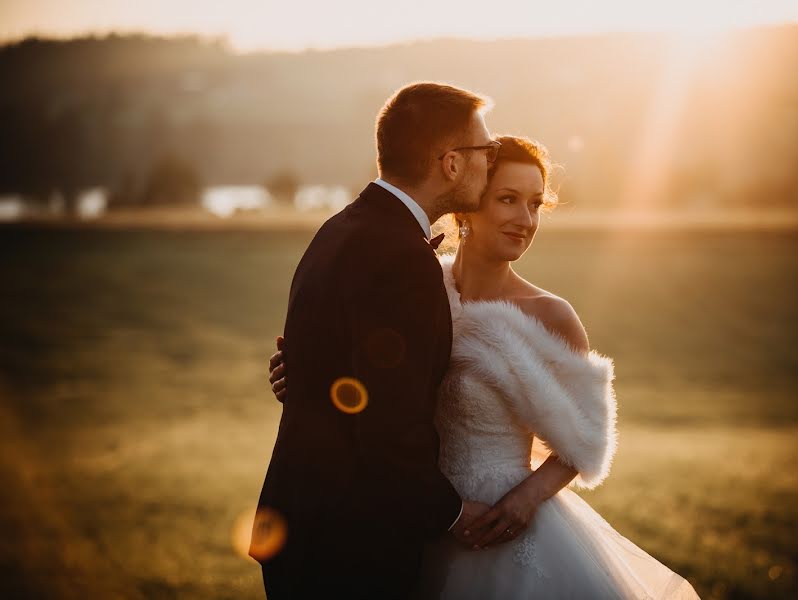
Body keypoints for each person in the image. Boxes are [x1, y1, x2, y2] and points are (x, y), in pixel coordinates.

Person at [268, 134, 702, 598]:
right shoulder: (419, 284)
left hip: (502, 524)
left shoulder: (551, 315)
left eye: (535, 204)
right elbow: (373, 385)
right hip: (412, 514)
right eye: (508, 200)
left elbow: (587, 439)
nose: (525, 219)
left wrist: (524, 501)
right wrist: (309, 377)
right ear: (468, 205)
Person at [252, 81, 501, 598]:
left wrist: (303, 382)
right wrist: (451, 512)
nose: (491, 161)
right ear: (451, 163)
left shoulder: (341, 227)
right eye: (486, 150)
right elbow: (388, 419)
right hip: (351, 540)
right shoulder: (402, 259)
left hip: (301, 518)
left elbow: (338, 368)